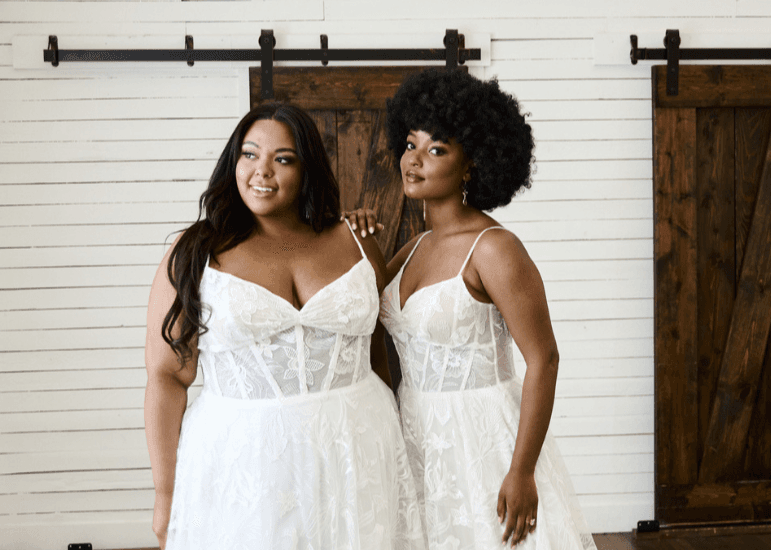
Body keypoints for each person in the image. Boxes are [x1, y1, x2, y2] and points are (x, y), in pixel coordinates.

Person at [144, 103, 424, 550]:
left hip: (357, 452)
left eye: (283, 159)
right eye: (250, 155)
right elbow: (166, 377)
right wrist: (165, 495)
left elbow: (377, 353)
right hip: (244, 463)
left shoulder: (354, 240)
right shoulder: (196, 251)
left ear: (306, 168)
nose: (263, 172)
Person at [345, 69, 597, 549]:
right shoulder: (412, 250)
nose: (414, 161)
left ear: (472, 163)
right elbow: (372, 317)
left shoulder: (493, 248)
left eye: (436, 149)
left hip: (483, 439)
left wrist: (521, 471)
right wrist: (359, 239)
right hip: (416, 435)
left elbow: (545, 359)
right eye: (410, 144)